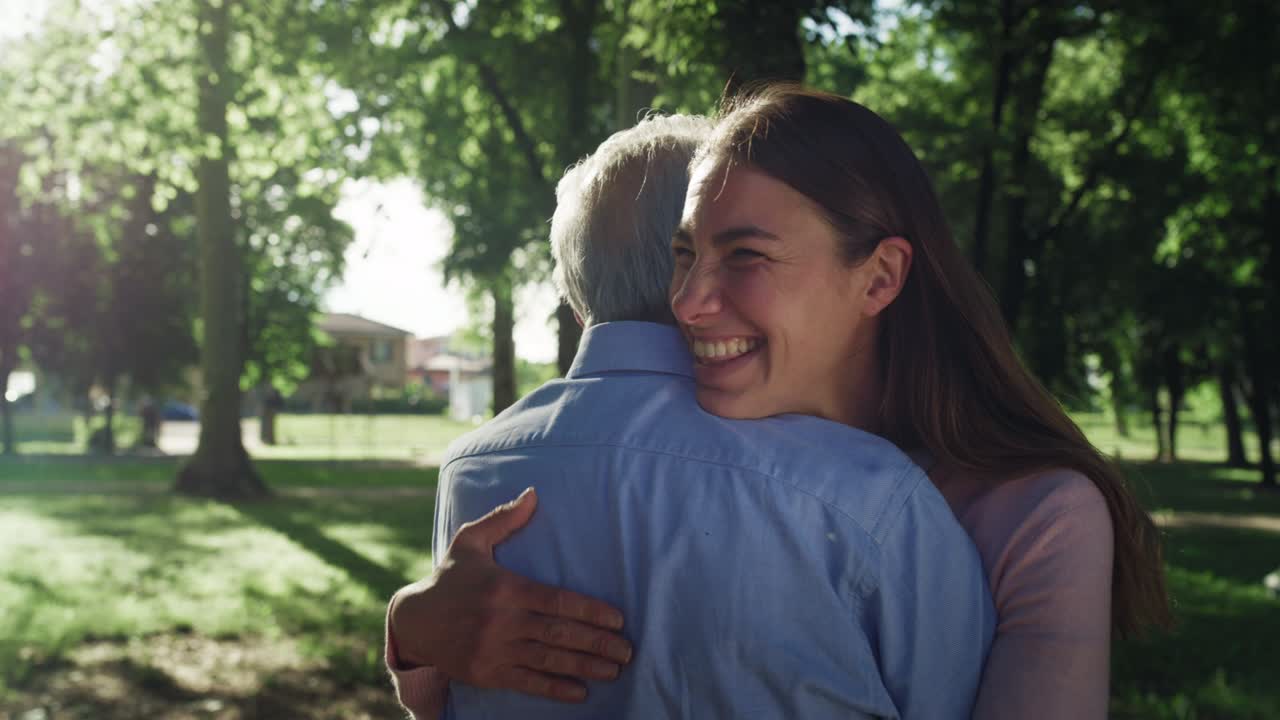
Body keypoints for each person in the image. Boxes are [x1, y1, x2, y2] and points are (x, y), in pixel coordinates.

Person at [389, 86, 1172, 719]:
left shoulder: (1039, 515)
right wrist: (414, 628)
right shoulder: (719, 468)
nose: (688, 302)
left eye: (747, 256)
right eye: (685, 254)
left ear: (879, 278)